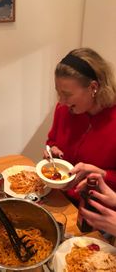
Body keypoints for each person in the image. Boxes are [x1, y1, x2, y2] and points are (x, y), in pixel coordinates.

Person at [44, 48, 116, 205]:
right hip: (62, 197)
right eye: (58, 92)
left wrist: (101, 174)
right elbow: (51, 141)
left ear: (93, 87)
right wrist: (52, 152)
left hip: (98, 208)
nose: (61, 101)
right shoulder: (64, 109)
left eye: (67, 94)